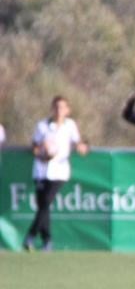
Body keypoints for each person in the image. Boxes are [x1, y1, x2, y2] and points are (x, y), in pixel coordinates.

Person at [24, 96, 89, 251]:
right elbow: (34, 146)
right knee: (43, 206)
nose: (59, 110)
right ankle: (47, 241)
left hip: (60, 172)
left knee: (45, 202)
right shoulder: (42, 126)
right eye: (56, 107)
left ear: (67, 110)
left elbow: (78, 142)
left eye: (62, 107)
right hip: (41, 171)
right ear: (52, 109)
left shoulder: (70, 125)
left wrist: (82, 147)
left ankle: (31, 235)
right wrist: (42, 152)